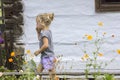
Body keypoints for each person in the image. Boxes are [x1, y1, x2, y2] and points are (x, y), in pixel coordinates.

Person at [34, 13, 58, 80]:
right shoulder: (47, 31)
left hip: (47, 57)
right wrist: (38, 32)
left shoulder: (44, 33)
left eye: (37, 23)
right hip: (46, 56)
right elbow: (40, 39)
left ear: (42, 23)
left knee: (50, 74)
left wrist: (38, 51)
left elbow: (46, 45)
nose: (36, 25)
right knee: (39, 72)